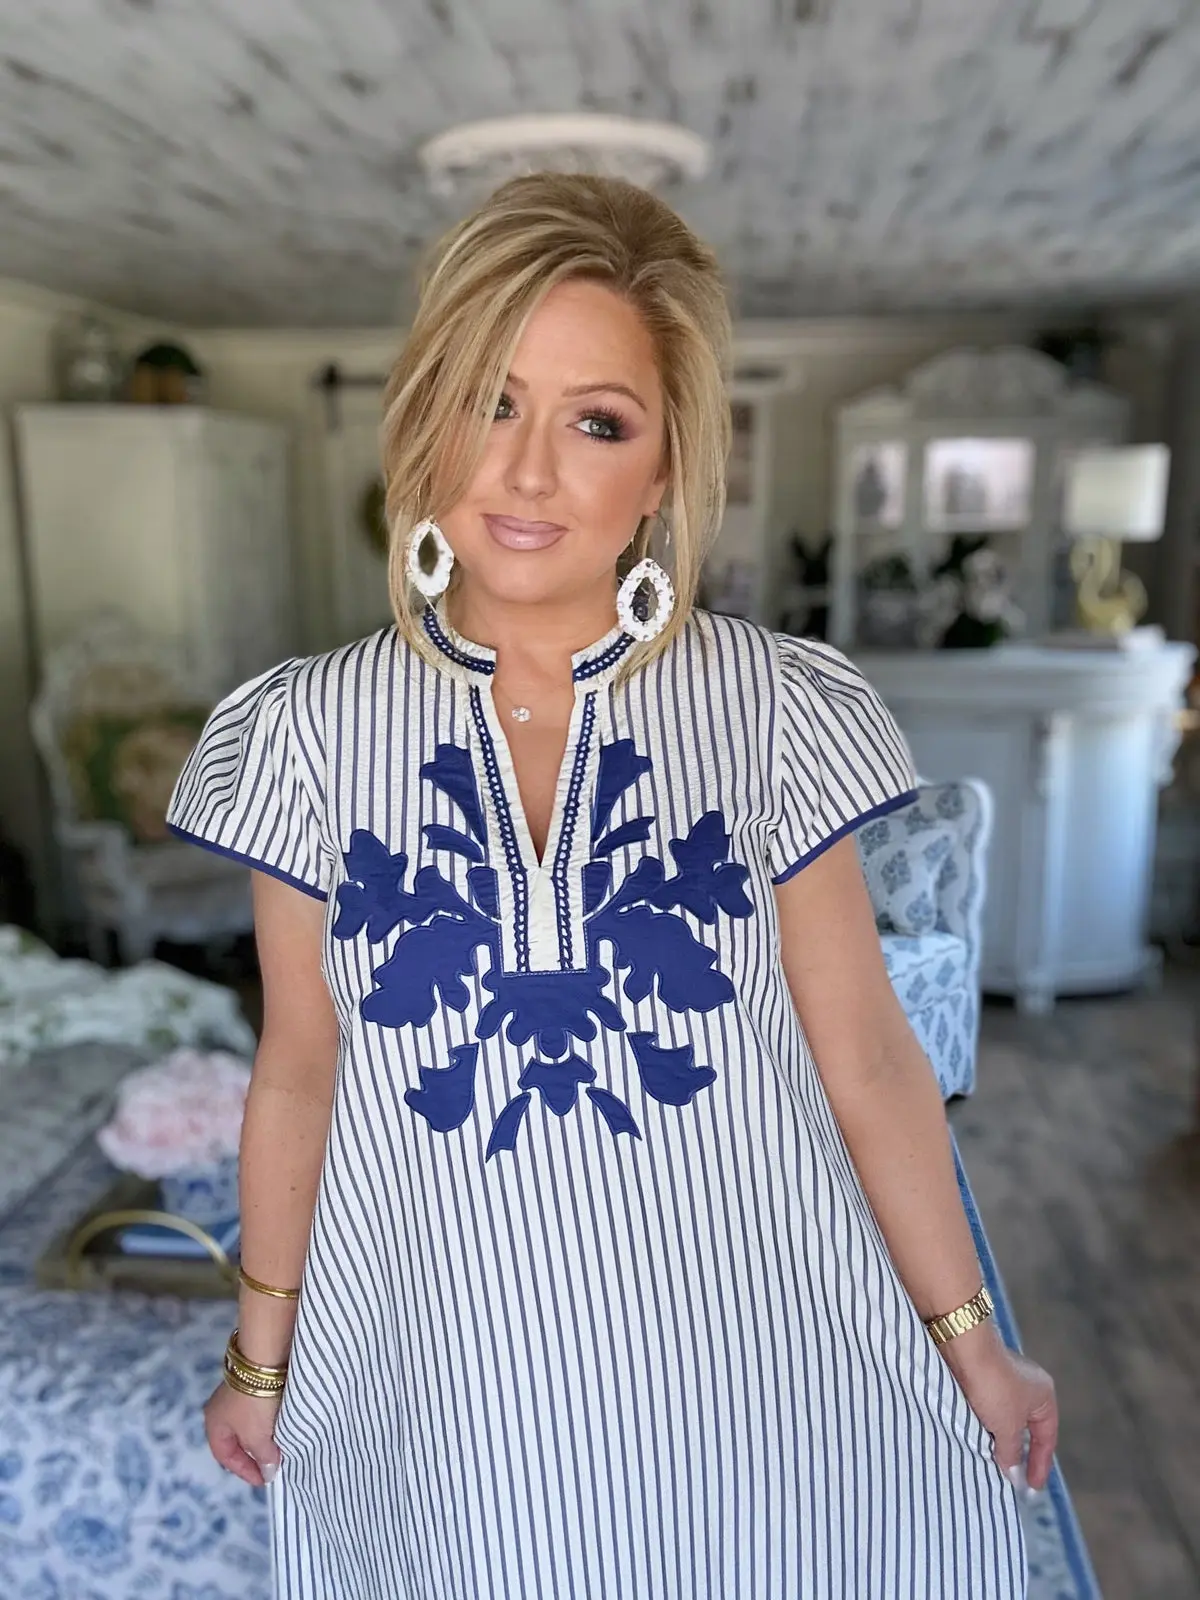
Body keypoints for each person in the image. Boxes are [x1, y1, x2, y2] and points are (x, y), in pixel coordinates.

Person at [167, 172, 1056, 1598]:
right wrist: (258, 1360)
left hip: (765, 1374)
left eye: (597, 422)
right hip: (448, 1390)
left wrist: (973, 1341)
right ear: (425, 420)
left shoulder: (779, 709)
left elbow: (870, 1057)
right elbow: (299, 1072)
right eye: (491, 401)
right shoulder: (301, 734)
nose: (528, 472)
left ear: (661, 470)